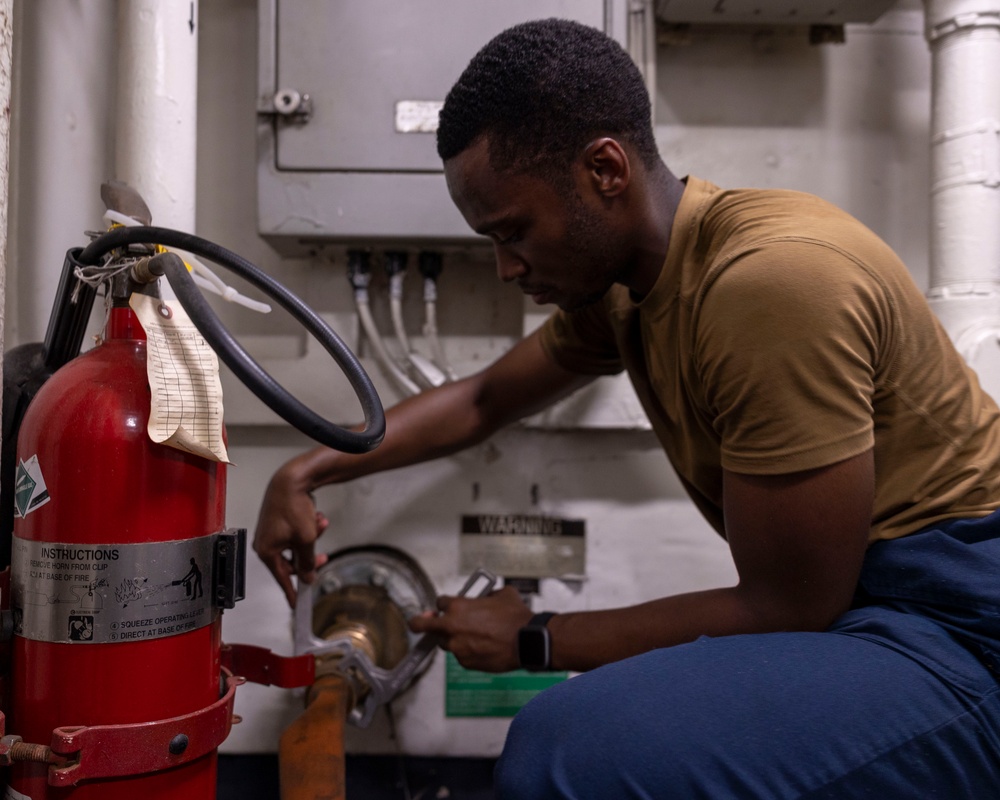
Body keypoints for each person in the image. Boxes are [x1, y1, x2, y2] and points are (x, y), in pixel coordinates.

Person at [254, 18, 1000, 798]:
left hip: (962, 622)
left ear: (603, 170)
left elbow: (791, 604)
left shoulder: (768, 284)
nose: (507, 268)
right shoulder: (631, 285)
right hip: (877, 610)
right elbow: (482, 400)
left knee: (568, 751)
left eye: (514, 233)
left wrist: (537, 639)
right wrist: (308, 471)